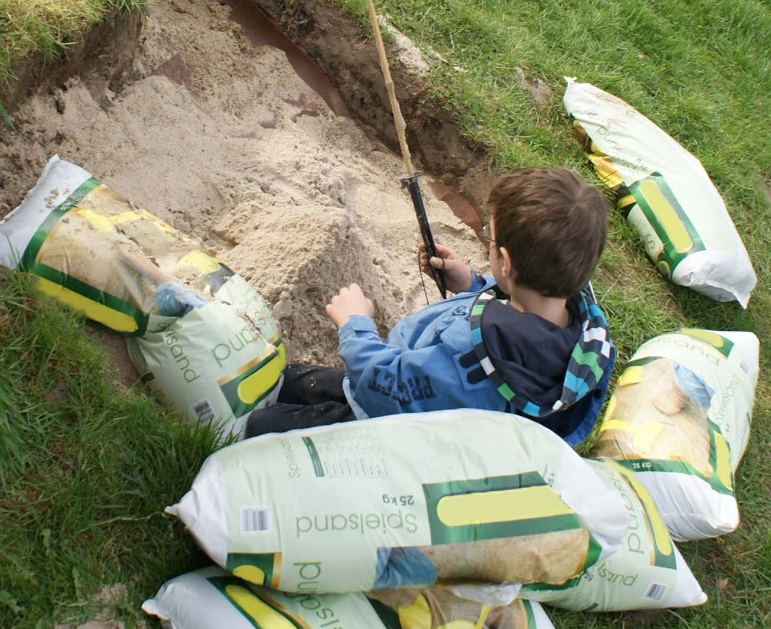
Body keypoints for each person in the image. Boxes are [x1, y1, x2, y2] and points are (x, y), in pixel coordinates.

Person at [244, 166, 614, 447]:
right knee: (290, 378)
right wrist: (471, 284)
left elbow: (388, 389)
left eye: (489, 237)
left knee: (259, 428)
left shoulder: (470, 355)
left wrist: (355, 323)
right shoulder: (579, 333)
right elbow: (524, 311)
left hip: (386, 426)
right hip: (444, 411)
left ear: (506, 261)